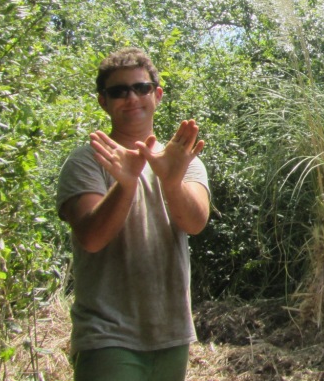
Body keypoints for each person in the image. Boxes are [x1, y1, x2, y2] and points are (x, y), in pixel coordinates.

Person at [55, 47, 211, 381]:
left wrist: (171, 181)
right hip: (106, 334)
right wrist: (125, 184)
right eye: (118, 91)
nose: (131, 97)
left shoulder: (183, 159)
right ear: (103, 101)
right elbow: (92, 238)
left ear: (157, 95)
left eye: (140, 88)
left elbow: (194, 223)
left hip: (171, 332)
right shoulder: (85, 161)